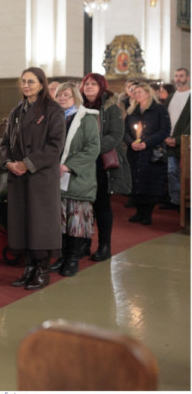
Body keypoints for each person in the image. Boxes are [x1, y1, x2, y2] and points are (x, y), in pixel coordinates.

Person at [1, 67, 65, 290]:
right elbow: (5, 144)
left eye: (31, 82)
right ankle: (28, 268)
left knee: (40, 225)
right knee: (23, 224)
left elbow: (55, 145)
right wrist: (9, 163)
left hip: (40, 177)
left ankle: (42, 271)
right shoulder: (17, 111)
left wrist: (27, 164)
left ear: (41, 84)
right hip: (18, 177)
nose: (26, 85)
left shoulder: (53, 110)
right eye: (23, 82)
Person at [50, 82, 100, 277]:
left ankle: (73, 259)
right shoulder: (54, 118)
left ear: (76, 98)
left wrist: (68, 165)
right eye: (59, 95)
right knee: (60, 220)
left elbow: (92, 149)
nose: (62, 98)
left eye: (67, 95)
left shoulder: (87, 118)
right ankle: (62, 256)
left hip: (77, 176)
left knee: (76, 222)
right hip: (56, 176)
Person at [80, 73, 131, 262]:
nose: (89, 87)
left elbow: (116, 135)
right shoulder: (79, 106)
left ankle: (104, 245)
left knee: (101, 205)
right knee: (83, 205)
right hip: (81, 163)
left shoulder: (111, 107)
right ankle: (83, 244)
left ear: (101, 87)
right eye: (86, 84)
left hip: (101, 162)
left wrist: (92, 149)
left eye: (94, 84)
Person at [123, 82, 171, 225]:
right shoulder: (132, 111)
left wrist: (147, 143)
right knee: (136, 183)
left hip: (152, 152)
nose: (136, 95)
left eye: (140, 92)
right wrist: (131, 142)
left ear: (148, 93)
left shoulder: (159, 109)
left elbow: (164, 130)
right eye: (135, 92)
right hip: (135, 152)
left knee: (150, 184)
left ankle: (147, 214)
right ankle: (138, 212)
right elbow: (124, 131)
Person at [161, 68, 190, 211]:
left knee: (186, 174)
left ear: (188, 78)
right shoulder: (171, 96)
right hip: (168, 140)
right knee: (171, 171)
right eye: (176, 76)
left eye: (181, 76)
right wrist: (166, 136)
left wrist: (178, 139)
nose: (178, 79)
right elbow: (164, 118)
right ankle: (175, 200)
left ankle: (185, 203)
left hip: (186, 142)